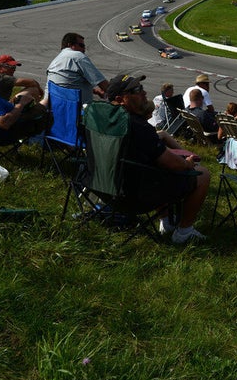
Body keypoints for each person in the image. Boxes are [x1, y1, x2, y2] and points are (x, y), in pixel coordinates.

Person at [106, 72, 210, 245]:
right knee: (203, 174)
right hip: (136, 195)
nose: (143, 92)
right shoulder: (138, 126)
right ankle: (184, 231)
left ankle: (166, 221)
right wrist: (187, 163)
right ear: (121, 99)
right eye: (137, 90)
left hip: (105, 188)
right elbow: (172, 164)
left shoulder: (106, 120)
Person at [46, 32, 108, 102]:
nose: (84, 49)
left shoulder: (54, 62)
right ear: (70, 45)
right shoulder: (78, 56)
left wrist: (94, 90)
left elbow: (66, 83)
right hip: (76, 109)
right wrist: (117, 95)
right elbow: (102, 83)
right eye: (81, 45)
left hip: (57, 105)